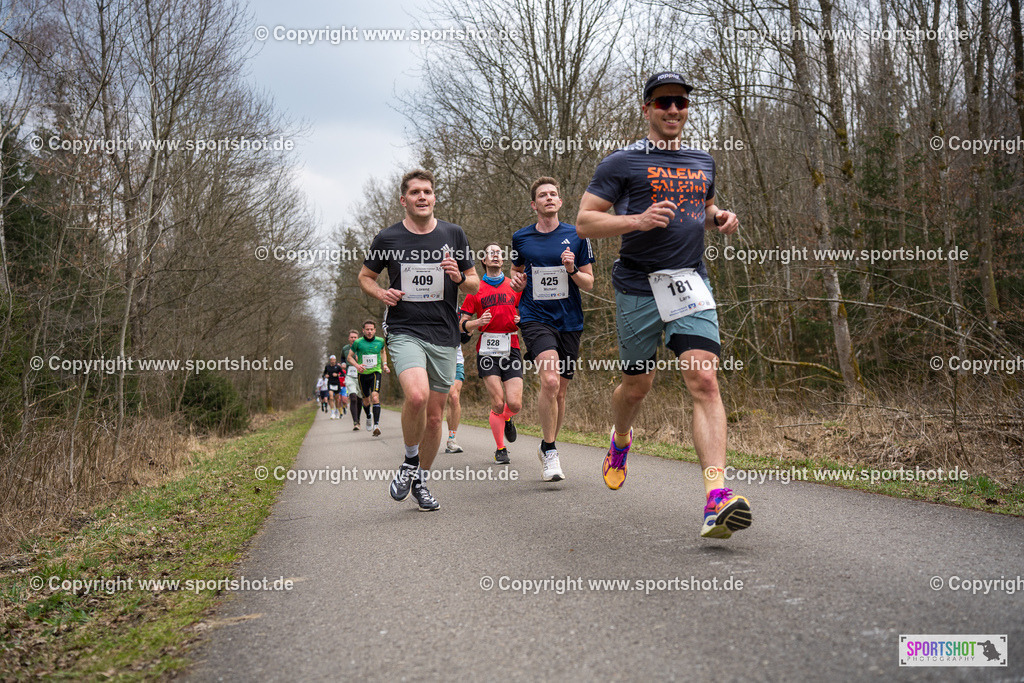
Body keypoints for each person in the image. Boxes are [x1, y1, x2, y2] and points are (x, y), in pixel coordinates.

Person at [576, 70, 752, 539]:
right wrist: (637, 219)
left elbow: (705, 208)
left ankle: (716, 499)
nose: (673, 110)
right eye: (663, 103)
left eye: (680, 103)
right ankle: (620, 439)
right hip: (637, 286)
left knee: (704, 379)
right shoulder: (623, 162)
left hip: (690, 283)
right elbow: (586, 223)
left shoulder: (703, 161)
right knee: (637, 387)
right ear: (647, 109)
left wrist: (721, 217)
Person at [358, 169, 479, 511]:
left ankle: (421, 480)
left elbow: (474, 283)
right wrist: (382, 292)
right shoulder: (388, 238)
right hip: (404, 330)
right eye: (415, 192)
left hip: (444, 333)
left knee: (434, 417)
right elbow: (365, 277)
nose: (422, 197)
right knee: (416, 395)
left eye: (427, 191)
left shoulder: (453, 234)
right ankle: (410, 461)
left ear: (434, 197)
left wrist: (459, 276)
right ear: (403, 200)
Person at [510, 177, 595, 482]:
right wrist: (516, 282)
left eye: (553, 195)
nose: (549, 198)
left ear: (560, 202)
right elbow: (515, 273)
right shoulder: (521, 238)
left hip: (570, 320)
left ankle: (547, 445)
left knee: (560, 391)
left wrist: (572, 269)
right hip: (535, 317)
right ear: (534, 205)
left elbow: (589, 281)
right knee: (549, 380)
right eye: (542, 195)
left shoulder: (577, 235)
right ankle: (550, 452)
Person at [460, 242, 523, 464]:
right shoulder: (475, 290)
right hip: (487, 352)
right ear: (484, 260)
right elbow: (462, 326)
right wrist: (477, 322)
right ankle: (500, 448)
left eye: (499, 253)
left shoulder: (514, 286)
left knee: (514, 404)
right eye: (491, 254)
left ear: (503, 260)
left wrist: (520, 319)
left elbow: (526, 313)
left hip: (511, 347)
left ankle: (507, 419)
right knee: (497, 402)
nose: (496, 256)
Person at [348, 320, 389, 436]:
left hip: (376, 372)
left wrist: (384, 364)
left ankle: (376, 425)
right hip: (362, 374)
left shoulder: (380, 341)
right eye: (367, 329)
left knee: (375, 397)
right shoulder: (358, 343)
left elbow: (383, 352)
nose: (370, 331)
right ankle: (368, 416)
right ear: (363, 330)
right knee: (366, 401)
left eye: (372, 329)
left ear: (375, 330)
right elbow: (349, 357)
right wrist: (357, 365)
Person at [341, 329, 365, 430]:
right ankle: (355, 422)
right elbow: (342, 358)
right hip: (349, 376)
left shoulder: (362, 347)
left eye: (355, 337)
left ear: (358, 338)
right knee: (353, 397)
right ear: (349, 338)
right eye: (351, 337)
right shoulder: (345, 348)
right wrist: (342, 363)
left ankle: (358, 419)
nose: (353, 339)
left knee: (360, 399)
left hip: (360, 375)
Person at [445, 344, 465, 453]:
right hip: (436, 361)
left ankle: (452, 439)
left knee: (454, 397)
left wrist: (469, 331)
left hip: (456, 362)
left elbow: (466, 335)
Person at [323, 354, 344, 419]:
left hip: (337, 384)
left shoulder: (338, 367)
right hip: (330, 383)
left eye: (333, 360)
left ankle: (337, 411)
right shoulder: (327, 367)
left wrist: (337, 375)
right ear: (330, 360)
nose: (332, 361)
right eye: (331, 360)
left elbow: (343, 374)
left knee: (337, 399)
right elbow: (324, 374)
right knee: (331, 397)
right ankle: (332, 412)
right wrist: (325, 376)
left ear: (335, 360)